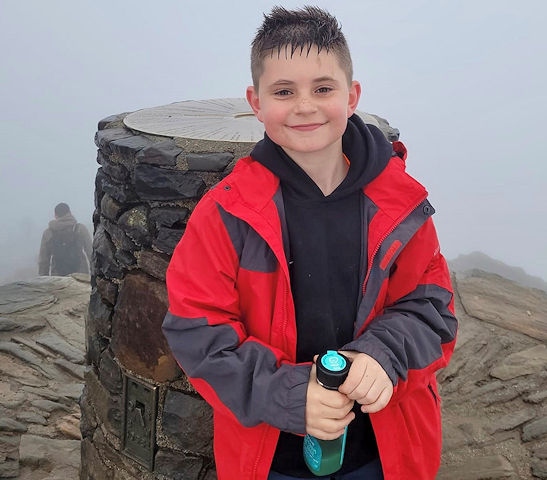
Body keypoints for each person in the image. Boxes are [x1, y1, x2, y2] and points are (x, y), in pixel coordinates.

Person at [162, 6, 458, 480]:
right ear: (255, 102)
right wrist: (291, 395)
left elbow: (432, 307)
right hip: (271, 457)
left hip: (384, 452)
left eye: (323, 88)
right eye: (284, 91)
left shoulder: (401, 203)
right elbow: (198, 333)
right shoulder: (226, 214)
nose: (305, 106)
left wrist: (383, 356)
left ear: (352, 95)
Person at [38, 202, 92, 276]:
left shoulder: (48, 233)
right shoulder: (80, 229)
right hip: (80, 275)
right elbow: (91, 253)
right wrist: (97, 276)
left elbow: (43, 261)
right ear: (70, 213)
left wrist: (43, 281)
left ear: (55, 215)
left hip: (57, 278)